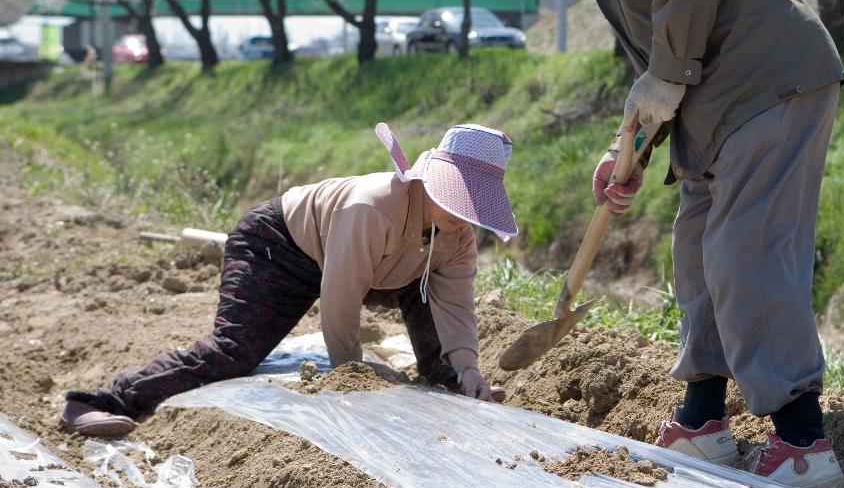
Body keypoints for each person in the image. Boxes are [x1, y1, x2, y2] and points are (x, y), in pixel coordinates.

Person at [483, 0, 844, 488]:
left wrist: (667, 77)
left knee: (746, 249)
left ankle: (803, 439)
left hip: (763, 80)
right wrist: (630, 145)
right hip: (714, 105)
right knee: (698, 251)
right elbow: (659, 45)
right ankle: (704, 420)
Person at [59, 122, 517, 437]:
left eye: (472, 208)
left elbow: (456, 303)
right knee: (235, 352)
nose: (464, 218)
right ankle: (103, 401)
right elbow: (340, 292)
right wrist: (350, 370)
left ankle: (454, 380)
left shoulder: (457, 237)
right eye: (458, 202)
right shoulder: (372, 207)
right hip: (279, 247)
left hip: (390, 268)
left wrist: (469, 368)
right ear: (430, 182)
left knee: (445, 362)